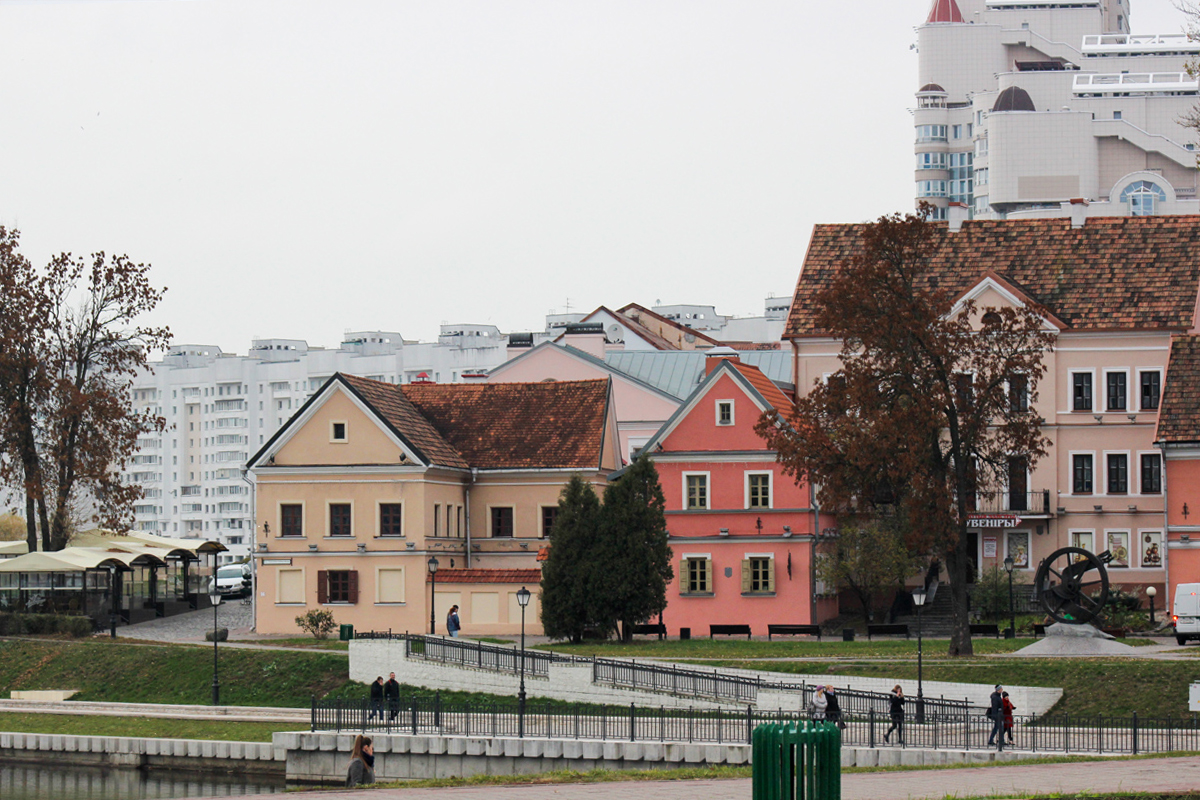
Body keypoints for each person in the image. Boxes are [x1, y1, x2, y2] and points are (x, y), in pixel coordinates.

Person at [987, 684, 1005, 751]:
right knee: (1000, 728)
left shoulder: (998, 696)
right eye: (1001, 689)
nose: (1002, 690)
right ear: (998, 690)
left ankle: (992, 740)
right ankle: (1001, 741)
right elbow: (994, 707)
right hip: (997, 715)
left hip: (999, 715)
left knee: (997, 728)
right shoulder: (995, 697)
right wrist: (995, 716)